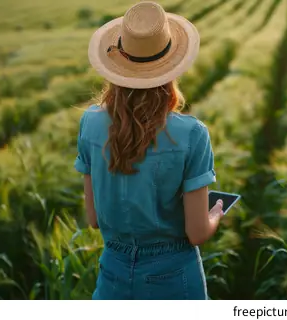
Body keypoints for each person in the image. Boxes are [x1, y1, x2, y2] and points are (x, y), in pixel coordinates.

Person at [74, 1, 223, 300]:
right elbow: (196, 233)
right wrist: (216, 214)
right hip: (175, 281)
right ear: (171, 68)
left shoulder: (90, 123)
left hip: (112, 279)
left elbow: (93, 218)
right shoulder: (192, 134)